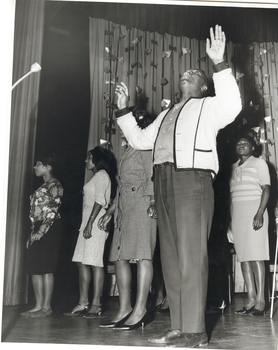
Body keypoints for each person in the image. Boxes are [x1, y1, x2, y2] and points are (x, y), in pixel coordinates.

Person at [113, 25, 242, 347]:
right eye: (185, 72)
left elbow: (233, 105)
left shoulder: (211, 106)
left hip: (192, 180)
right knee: (170, 257)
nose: (187, 73)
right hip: (163, 181)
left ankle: (196, 330)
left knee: (190, 256)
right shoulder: (166, 113)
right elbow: (141, 140)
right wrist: (124, 108)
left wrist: (219, 63)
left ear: (203, 86)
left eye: (194, 73)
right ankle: (179, 326)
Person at [98, 108, 157, 331]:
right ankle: (124, 309)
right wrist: (110, 211)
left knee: (143, 256)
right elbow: (121, 187)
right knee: (119, 257)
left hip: (143, 205)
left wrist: (152, 203)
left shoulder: (144, 145)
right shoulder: (128, 150)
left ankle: (140, 310)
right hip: (124, 208)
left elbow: (153, 175)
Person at [64, 146, 117, 318]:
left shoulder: (102, 176)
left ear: (98, 159)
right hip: (87, 223)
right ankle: (83, 302)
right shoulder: (96, 177)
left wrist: (90, 224)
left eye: (89, 157)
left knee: (95, 263)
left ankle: (96, 304)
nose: (86, 161)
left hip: (95, 223)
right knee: (81, 261)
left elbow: (100, 201)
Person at [230, 134, 270, 316]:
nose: (241, 145)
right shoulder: (232, 168)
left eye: (245, 143)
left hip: (255, 212)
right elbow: (231, 198)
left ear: (253, 148)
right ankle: (251, 298)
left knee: (257, 256)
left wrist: (260, 213)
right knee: (244, 258)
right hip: (238, 216)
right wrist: (230, 222)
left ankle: (261, 301)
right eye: (239, 143)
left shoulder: (259, 163)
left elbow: (266, 189)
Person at [20, 153, 64, 318]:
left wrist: (41, 231)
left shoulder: (55, 185)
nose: (35, 167)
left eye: (38, 164)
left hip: (50, 227)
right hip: (38, 227)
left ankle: (47, 307)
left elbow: (52, 211)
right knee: (35, 267)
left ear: (48, 167)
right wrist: (33, 233)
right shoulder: (43, 186)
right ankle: (38, 306)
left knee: (46, 267)